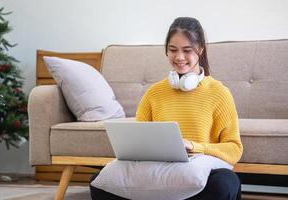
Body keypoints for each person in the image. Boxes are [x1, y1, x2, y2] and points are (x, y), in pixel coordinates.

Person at [90, 17, 243, 200]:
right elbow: (139, 139)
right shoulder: (154, 93)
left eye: (187, 50)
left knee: (226, 184)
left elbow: (234, 149)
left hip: (197, 174)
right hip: (158, 173)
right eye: (173, 50)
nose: (179, 57)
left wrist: (194, 146)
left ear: (200, 49)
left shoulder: (219, 93)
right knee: (98, 182)